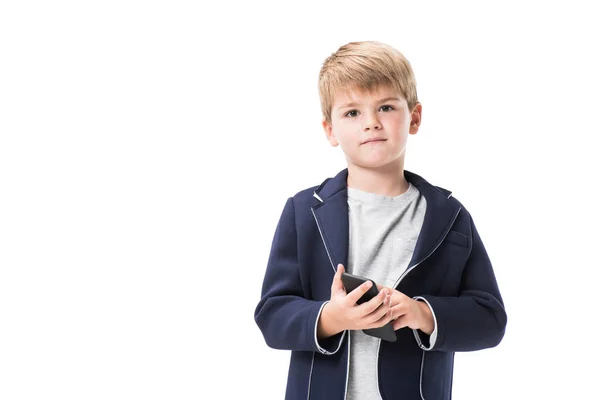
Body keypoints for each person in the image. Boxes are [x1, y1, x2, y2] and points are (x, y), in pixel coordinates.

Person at [254, 40, 507, 400]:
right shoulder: (303, 212)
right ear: (330, 129)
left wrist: (423, 314)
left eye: (386, 107)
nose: (371, 123)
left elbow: (490, 320)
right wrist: (332, 318)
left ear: (414, 117)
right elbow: (272, 316)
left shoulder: (449, 217)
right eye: (352, 113)